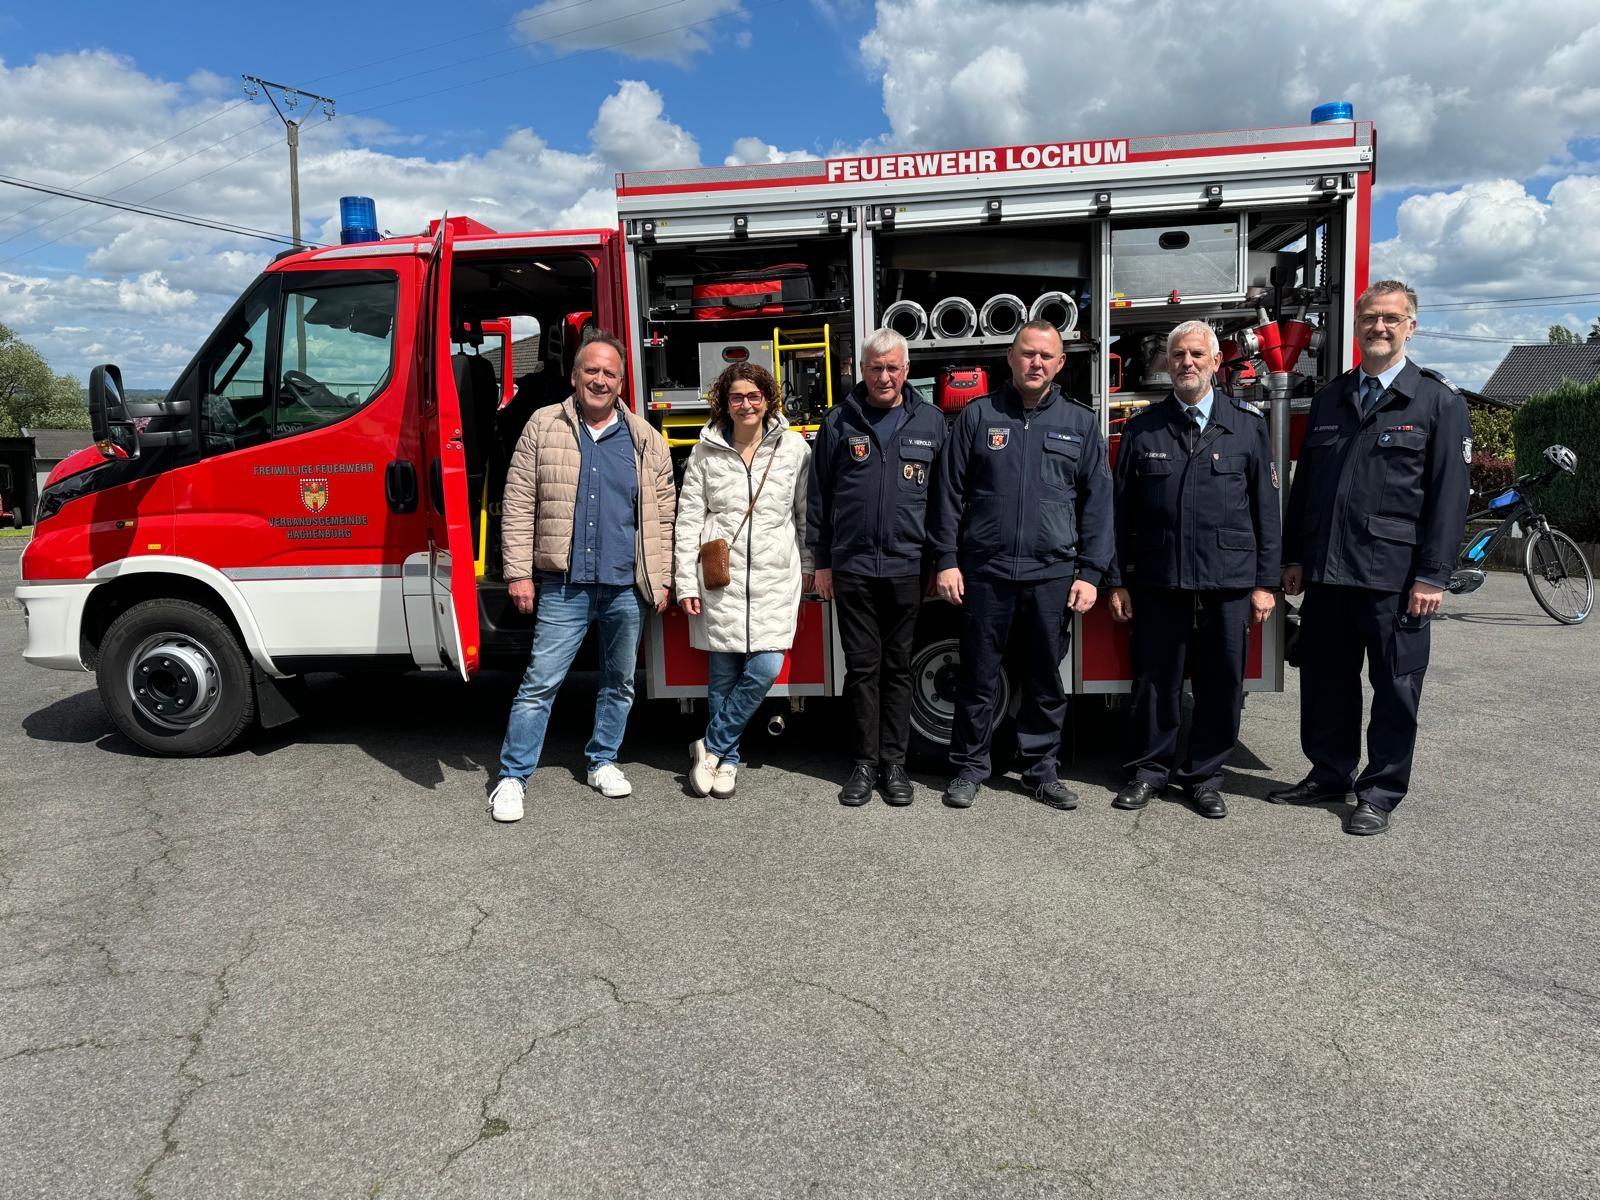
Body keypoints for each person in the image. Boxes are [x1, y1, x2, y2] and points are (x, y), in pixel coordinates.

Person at [1272, 280, 1470, 835]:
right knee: (1326, 683)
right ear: (1356, 326)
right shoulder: (1332, 397)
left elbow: (1450, 497)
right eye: (1369, 318)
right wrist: (1293, 556)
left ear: (1411, 326)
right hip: (1329, 572)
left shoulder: (1437, 401)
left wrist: (1433, 575)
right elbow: (1306, 485)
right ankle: (1329, 772)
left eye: (1391, 318)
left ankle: (1379, 792)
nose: (1378, 327)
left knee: (1396, 689)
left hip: (1395, 578)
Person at [488, 334, 676, 823]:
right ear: (574, 376)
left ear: (621, 383)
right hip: (564, 585)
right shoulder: (542, 425)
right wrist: (518, 574)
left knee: (619, 682)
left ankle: (603, 761)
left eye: (609, 373)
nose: (600, 380)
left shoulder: (645, 439)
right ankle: (513, 777)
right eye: (591, 370)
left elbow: (664, 517)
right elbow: (518, 502)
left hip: (625, 587)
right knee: (540, 683)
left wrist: (662, 578)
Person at [929, 320, 1114, 811]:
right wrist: (946, 560)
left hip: (1051, 574)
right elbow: (948, 493)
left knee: (1044, 679)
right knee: (977, 676)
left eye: (1045, 356)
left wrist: (1091, 573)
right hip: (985, 571)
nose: (1036, 363)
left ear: (1060, 363)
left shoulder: (1079, 423)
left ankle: (1041, 771)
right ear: (1010, 358)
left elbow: (1098, 504)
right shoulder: (978, 416)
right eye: (1027, 353)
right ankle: (970, 768)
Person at [1105, 320, 1281, 820]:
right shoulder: (1142, 428)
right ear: (1168, 362)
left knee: (1221, 685)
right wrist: (1117, 580)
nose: (1186, 363)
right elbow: (1119, 512)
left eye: (1197, 355)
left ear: (1216, 361)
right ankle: (1148, 771)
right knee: (1154, 683)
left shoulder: (1246, 426)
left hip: (1228, 582)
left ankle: (1204, 777)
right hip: (1160, 579)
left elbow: (1266, 510)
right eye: (1178, 355)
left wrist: (1265, 583)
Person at [807, 328, 946, 806]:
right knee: (862, 668)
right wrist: (822, 562)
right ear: (860, 370)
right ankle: (865, 765)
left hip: (909, 565)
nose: (884, 377)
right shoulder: (839, 421)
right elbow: (819, 496)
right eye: (875, 368)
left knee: (900, 667)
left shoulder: (931, 421)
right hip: (853, 566)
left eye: (892, 368)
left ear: (906, 370)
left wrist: (942, 561)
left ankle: (895, 765)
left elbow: (944, 501)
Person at [675, 363, 813, 798]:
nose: (746, 404)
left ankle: (711, 746)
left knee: (766, 666)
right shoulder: (704, 453)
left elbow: (804, 513)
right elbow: (688, 520)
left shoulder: (793, 449)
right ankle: (727, 762)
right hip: (722, 579)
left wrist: (809, 564)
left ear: (768, 399)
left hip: (775, 578)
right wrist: (686, 582)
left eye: (754, 395)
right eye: (737, 396)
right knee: (723, 676)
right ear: (725, 402)